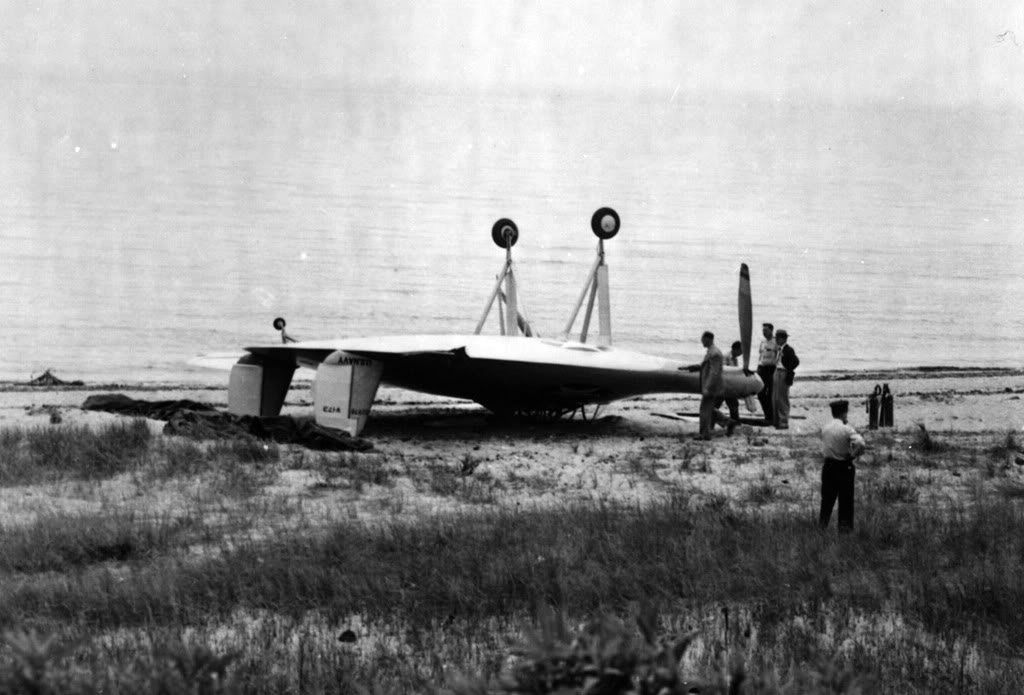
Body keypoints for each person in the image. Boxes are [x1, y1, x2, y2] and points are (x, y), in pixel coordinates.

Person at [819, 399, 866, 532]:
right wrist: (852, 455)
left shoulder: (825, 428)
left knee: (827, 500)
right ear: (844, 413)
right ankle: (844, 530)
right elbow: (861, 443)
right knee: (845, 500)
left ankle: (822, 527)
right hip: (843, 466)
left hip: (828, 466)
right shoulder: (846, 429)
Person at [687, 331, 732, 440]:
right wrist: (694, 367)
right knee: (709, 409)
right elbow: (706, 366)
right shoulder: (711, 351)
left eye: (703, 339)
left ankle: (704, 434)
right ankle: (728, 422)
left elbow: (715, 373)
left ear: (708, 339)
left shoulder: (715, 353)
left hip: (712, 386)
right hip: (711, 386)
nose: (702, 341)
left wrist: (708, 387)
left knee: (704, 410)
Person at [772, 329, 799, 429]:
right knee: (775, 397)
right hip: (777, 371)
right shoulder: (779, 349)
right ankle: (777, 420)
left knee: (782, 398)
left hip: (783, 372)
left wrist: (788, 369)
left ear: (782, 339)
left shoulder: (788, 349)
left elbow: (796, 361)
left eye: (777, 338)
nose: (776, 340)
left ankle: (783, 421)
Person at [756, 323, 778, 424]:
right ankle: (768, 414)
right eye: (763, 330)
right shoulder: (762, 342)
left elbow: (779, 357)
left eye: (766, 330)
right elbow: (760, 356)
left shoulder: (775, 342)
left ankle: (770, 417)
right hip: (761, 368)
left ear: (771, 330)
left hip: (771, 369)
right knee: (760, 393)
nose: (764, 332)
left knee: (770, 393)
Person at [718, 341, 742, 423]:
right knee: (717, 404)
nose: (742, 352)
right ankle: (734, 422)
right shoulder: (726, 357)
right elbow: (724, 370)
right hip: (723, 385)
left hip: (729, 386)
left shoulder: (735, 359)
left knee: (733, 405)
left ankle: (735, 422)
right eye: (741, 350)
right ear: (736, 349)